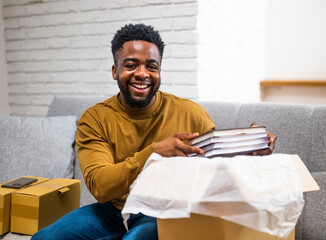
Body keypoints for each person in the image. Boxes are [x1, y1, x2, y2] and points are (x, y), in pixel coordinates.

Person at [32, 23, 276, 240]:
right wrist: (154, 153)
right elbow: (100, 186)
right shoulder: (95, 119)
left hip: (165, 211)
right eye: (131, 65)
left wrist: (249, 150)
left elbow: (215, 170)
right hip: (113, 210)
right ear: (115, 71)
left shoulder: (191, 114)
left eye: (152, 66)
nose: (142, 74)